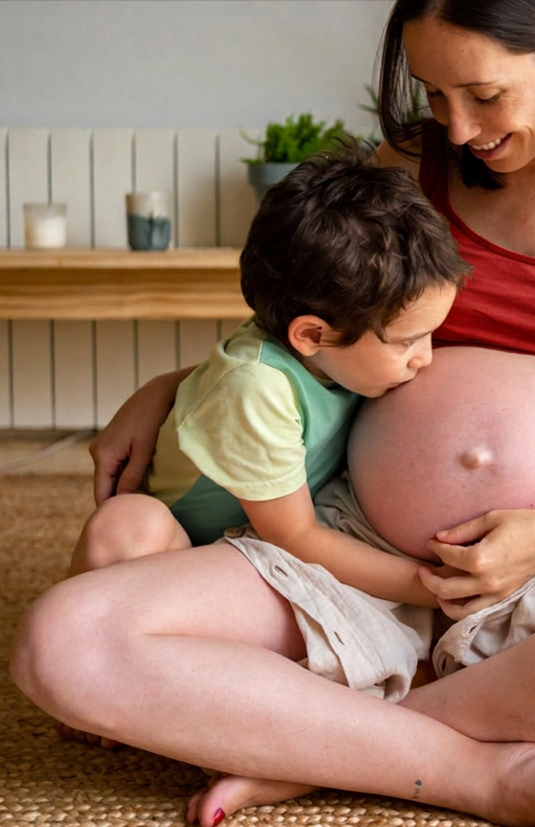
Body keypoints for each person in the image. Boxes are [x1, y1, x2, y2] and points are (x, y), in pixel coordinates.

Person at [10, 2, 535, 827]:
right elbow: (310, 324)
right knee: (65, 640)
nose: (456, 129)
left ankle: (324, 745)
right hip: (354, 538)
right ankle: (483, 771)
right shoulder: (414, 163)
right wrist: (170, 388)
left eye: (483, 94)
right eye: (434, 95)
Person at [68, 143, 464, 613]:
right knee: (125, 528)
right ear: (313, 334)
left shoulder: (337, 356)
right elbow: (295, 535)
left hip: (259, 537)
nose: (426, 357)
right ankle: (96, 630)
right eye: (408, 342)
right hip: (186, 542)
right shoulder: (257, 385)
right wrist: (429, 589)